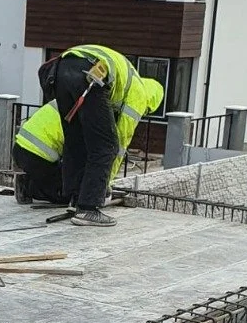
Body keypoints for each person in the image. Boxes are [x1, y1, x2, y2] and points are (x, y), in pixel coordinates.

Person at [41, 44, 164, 227]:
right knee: (106, 146)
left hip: (62, 68)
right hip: (90, 76)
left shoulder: (130, 79)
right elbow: (119, 145)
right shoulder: (139, 96)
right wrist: (105, 185)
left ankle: (75, 199)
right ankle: (88, 208)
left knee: (76, 141)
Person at [12, 99, 65, 204]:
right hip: (38, 157)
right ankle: (28, 187)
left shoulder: (61, 100)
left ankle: (27, 181)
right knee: (65, 195)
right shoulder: (80, 112)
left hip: (20, 149)